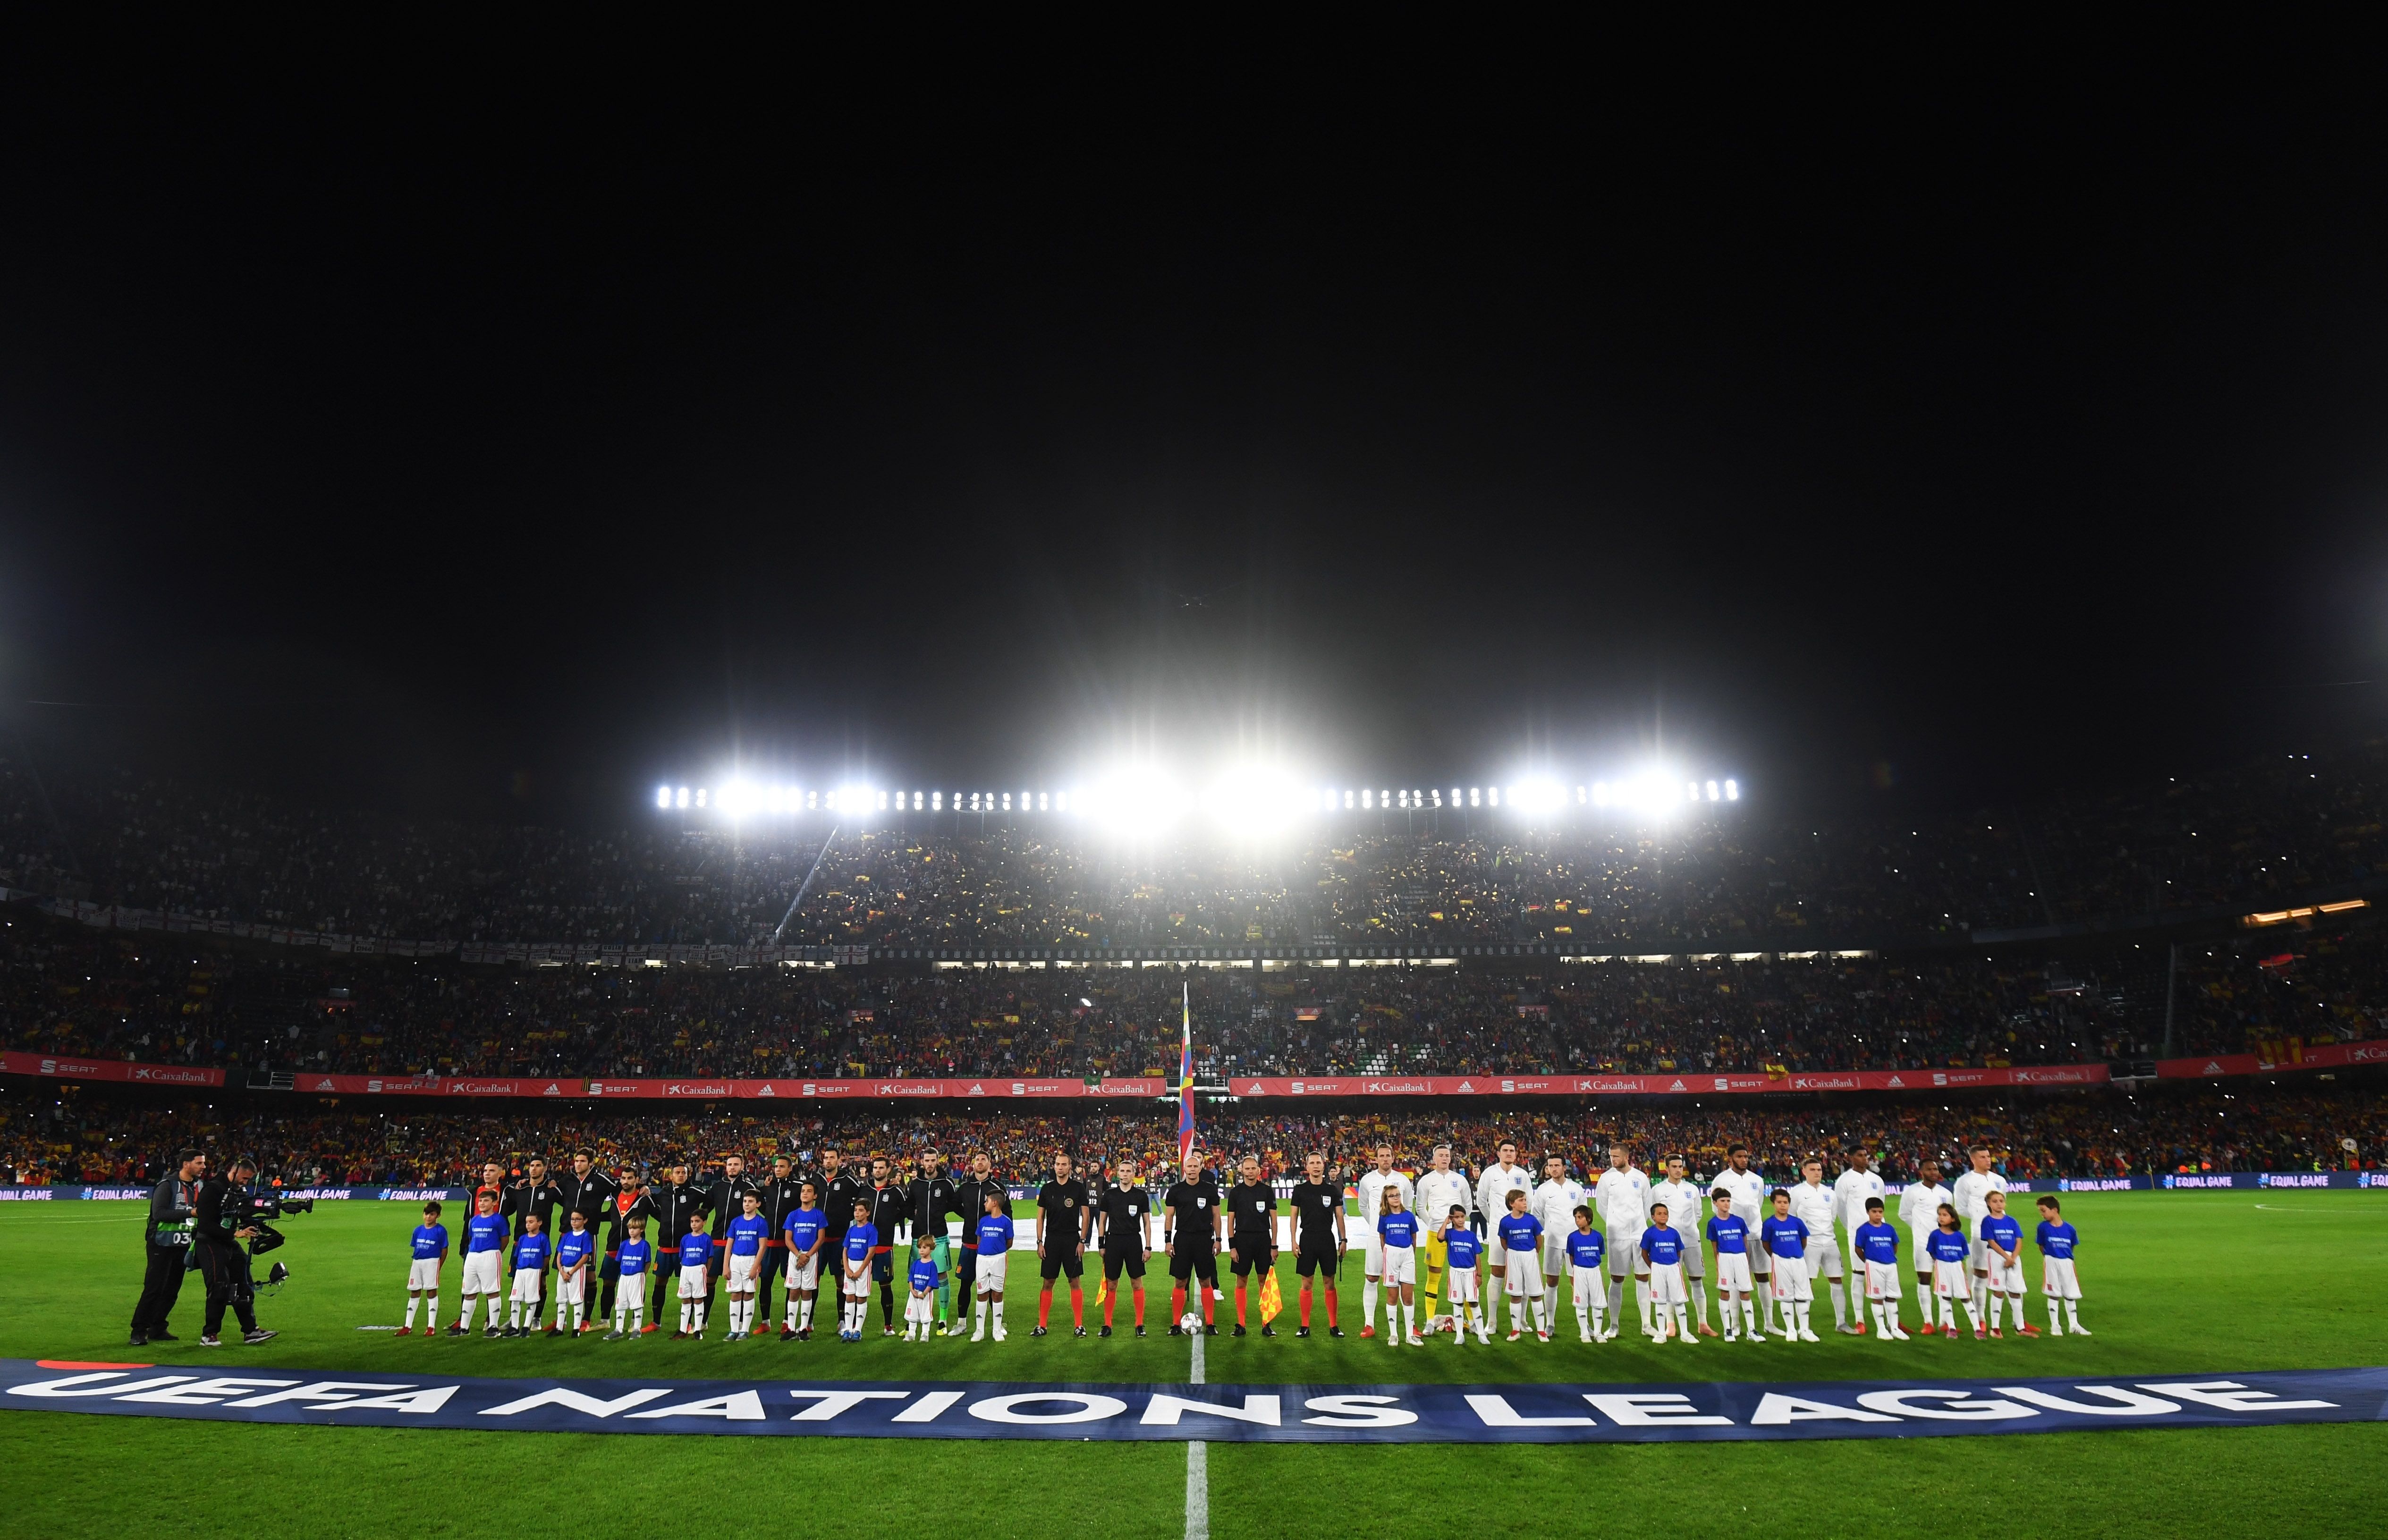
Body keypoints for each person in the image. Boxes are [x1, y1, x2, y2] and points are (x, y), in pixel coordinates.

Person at [191, 1154, 274, 1347]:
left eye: (249, 1180)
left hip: (228, 1243)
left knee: (244, 1283)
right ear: (234, 1171)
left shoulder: (239, 1191)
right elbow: (206, 1224)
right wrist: (235, 1233)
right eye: (244, 1178)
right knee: (220, 1287)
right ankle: (209, 1335)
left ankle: (251, 1331)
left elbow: (244, 1214)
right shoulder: (213, 1190)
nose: (246, 1182)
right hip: (209, 1243)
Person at [131, 1148, 203, 1347]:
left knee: (172, 1290)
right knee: (154, 1288)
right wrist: (191, 1213)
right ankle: (139, 1330)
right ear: (186, 1164)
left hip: (183, 1244)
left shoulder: (199, 1186)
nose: (203, 1167)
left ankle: (158, 1327)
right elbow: (160, 1214)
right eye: (199, 1163)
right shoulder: (168, 1185)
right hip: (161, 1243)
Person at [1651, 1154, 1715, 1337]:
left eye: (1680, 1166)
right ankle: (1671, 1325)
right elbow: (1653, 1215)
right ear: (1667, 1168)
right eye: (1675, 1167)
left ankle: (1703, 1323)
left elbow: (1698, 1214)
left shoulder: (1692, 1189)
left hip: (1692, 1241)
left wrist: (1687, 1229)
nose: (1678, 1170)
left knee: (1697, 1281)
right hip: (1669, 1244)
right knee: (1671, 1284)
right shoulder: (1658, 1190)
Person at [1473, 1139, 1532, 1336]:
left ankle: (1522, 1320)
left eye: (1512, 1151)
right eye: (1505, 1150)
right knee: (1497, 1272)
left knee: (1522, 1274)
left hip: (1520, 1231)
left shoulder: (1522, 1175)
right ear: (1498, 1153)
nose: (1509, 1153)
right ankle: (1492, 1321)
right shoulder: (1489, 1173)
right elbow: (1481, 1201)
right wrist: (1495, 1222)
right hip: (1498, 1229)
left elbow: (1528, 1201)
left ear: (1516, 1154)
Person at [1790, 1158, 1856, 1336]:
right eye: (1812, 1170)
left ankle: (1841, 1323)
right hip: (1809, 1243)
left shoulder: (1830, 1193)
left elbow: (1832, 1216)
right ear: (1804, 1171)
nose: (1817, 1173)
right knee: (1806, 1283)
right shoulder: (1797, 1193)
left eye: (1819, 1169)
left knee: (1837, 1280)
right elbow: (1791, 1217)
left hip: (1830, 1242)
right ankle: (1804, 1327)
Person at [1593, 1142, 1651, 1339]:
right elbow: (1602, 1206)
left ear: (1627, 1157)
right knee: (1616, 1279)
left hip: (1639, 1234)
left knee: (1643, 1277)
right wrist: (1615, 1223)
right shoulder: (1606, 1179)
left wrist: (1638, 1223)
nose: (1613, 1160)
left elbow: (1647, 1206)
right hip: (1617, 1236)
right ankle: (1614, 1325)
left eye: (1616, 1156)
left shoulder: (1641, 1177)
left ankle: (1647, 1324)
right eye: (1611, 1156)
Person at [1356, 1143, 1414, 1340]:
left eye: (1388, 1156)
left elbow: (1409, 1206)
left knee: (1405, 1281)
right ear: (1376, 1159)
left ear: (1393, 1157)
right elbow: (1363, 1206)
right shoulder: (1367, 1180)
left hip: (1400, 1240)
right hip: (1376, 1237)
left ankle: (1410, 1326)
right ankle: (1369, 1324)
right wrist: (1378, 1225)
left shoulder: (1403, 1180)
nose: (1385, 1159)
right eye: (1381, 1156)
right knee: (1372, 1278)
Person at [1712, 1145, 1772, 1333]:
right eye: (1739, 1157)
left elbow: (1758, 1204)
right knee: (1735, 1281)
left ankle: (1769, 1324)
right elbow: (1719, 1208)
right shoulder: (1721, 1180)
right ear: (1730, 1159)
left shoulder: (1757, 1180)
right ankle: (1736, 1324)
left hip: (1756, 1233)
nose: (1744, 1160)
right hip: (1735, 1238)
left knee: (1763, 1277)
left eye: (1746, 1156)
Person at [1164, 1148, 1223, 1336]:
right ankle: (1175, 1324)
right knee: (1180, 1282)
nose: (1191, 1169)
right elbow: (1169, 1216)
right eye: (1189, 1166)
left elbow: (1217, 1215)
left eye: (1195, 1166)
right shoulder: (1176, 1191)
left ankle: (1211, 1323)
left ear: (1200, 1168)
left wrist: (1218, 1239)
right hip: (1182, 1239)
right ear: (1184, 1169)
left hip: (1204, 1239)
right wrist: (1167, 1240)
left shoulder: (1209, 1189)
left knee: (1206, 1281)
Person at [1951, 1145, 2009, 1334]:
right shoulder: (1964, 1182)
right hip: (1979, 1234)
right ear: (1973, 1159)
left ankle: (2014, 1321)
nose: (1988, 1160)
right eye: (1983, 1157)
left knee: (2005, 1274)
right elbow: (1960, 1208)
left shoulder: (1999, 1180)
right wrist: (1981, 1217)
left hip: (2003, 1233)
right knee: (1981, 1274)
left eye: (1989, 1156)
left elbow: (2002, 1203)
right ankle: (1981, 1318)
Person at [1034, 1151, 1092, 1337]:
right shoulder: (1047, 1189)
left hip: (1072, 1240)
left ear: (1070, 1167)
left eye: (1064, 1165)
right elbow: (1040, 1217)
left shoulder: (1078, 1188)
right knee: (1048, 1282)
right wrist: (1040, 1242)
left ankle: (1079, 1325)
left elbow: (1086, 1216)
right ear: (1054, 1167)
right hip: (1051, 1240)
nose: (1060, 1168)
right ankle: (1042, 1325)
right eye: (1058, 1164)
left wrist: (1082, 1241)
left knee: (1074, 1281)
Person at [1288, 1150, 1346, 1338]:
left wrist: (1343, 1240)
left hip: (1327, 1239)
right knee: (1307, 1283)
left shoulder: (1332, 1191)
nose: (1315, 1166)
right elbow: (1294, 1217)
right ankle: (1305, 1326)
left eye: (1318, 1163)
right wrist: (1293, 1240)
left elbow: (1339, 1217)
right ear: (1307, 1167)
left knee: (1329, 1283)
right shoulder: (1300, 1190)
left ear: (1324, 1166)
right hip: (1307, 1239)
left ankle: (1334, 1326)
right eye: (1312, 1163)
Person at [904, 1149, 962, 1335]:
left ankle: (943, 1320)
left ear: (938, 1161)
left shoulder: (946, 1183)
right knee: (915, 1279)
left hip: (939, 1236)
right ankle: (912, 1318)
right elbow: (908, 1205)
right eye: (926, 1160)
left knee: (942, 1277)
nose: (929, 1164)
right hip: (919, 1238)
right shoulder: (915, 1184)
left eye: (933, 1160)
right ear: (922, 1162)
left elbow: (954, 1205)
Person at [1415, 1144, 1471, 1336]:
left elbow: (1468, 1206)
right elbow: (1420, 1207)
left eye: (1447, 1155)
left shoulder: (1460, 1180)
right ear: (1434, 1159)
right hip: (1435, 1234)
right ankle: (1430, 1321)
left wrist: (1459, 1225)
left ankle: (1471, 1321)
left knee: (1464, 1275)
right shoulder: (1426, 1181)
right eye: (1441, 1155)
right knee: (1434, 1276)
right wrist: (1432, 1223)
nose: (1445, 1158)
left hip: (1458, 1235)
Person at [1531, 1153, 1588, 1341]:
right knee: (1552, 1282)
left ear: (1565, 1167)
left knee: (1577, 1282)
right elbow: (1537, 1216)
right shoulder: (1543, 1190)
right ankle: (1550, 1323)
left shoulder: (1576, 1189)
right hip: (1553, 1243)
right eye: (1550, 1166)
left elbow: (1584, 1215)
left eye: (1557, 1165)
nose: (1553, 1169)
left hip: (1574, 1243)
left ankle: (1585, 1323)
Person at [1097, 1156, 1153, 1337]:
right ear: (1117, 1174)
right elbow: (1102, 1221)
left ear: (1134, 1174)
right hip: (1113, 1242)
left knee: (1137, 1283)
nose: (1125, 1174)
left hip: (1133, 1242)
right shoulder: (1109, 1195)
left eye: (1129, 1171)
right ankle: (1107, 1325)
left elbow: (1146, 1223)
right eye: (1122, 1171)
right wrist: (1101, 1244)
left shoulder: (1141, 1196)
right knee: (1112, 1284)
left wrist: (1148, 1247)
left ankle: (1139, 1325)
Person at [1897, 1158, 1954, 1335]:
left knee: (1945, 1282)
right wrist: (1920, 1228)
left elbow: (1951, 1217)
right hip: (1922, 1243)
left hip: (1944, 1242)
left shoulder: (1946, 1193)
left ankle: (1945, 1322)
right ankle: (1928, 1322)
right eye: (1930, 1169)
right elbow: (1904, 1214)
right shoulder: (1912, 1192)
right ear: (1921, 1172)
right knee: (1925, 1280)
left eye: (1936, 1169)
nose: (1934, 1172)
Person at [950, 1151, 1004, 1336]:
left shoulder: (997, 1187)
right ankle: (961, 1323)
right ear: (973, 1164)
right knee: (965, 1285)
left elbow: (1008, 1214)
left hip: (990, 1248)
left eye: (983, 1159)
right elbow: (954, 1205)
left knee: (992, 1287)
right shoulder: (966, 1187)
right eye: (977, 1160)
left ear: (990, 1164)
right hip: (969, 1244)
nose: (980, 1162)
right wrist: (967, 1216)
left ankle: (997, 1325)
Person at [1225, 1154, 1278, 1337]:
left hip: (1263, 1239)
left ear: (1258, 1170)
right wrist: (1232, 1246)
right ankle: (1241, 1324)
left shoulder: (1267, 1191)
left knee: (1264, 1282)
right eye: (1247, 1168)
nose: (1250, 1171)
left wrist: (1274, 1245)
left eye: (1253, 1168)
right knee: (1242, 1280)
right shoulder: (1236, 1193)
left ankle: (1266, 1324)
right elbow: (1230, 1221)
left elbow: (1274, 1220)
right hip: (1242, 1240)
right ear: (1242, 1170)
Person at [755, 1154, 804, 1334]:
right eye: (776, 1167)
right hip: (769, 1244)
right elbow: (759, 1203)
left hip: (788, 1244)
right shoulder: (769, 1187)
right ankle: (765, 1322)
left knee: (790, 1284)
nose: (778, 1170)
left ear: (790, 1168)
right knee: (765, 1281)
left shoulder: (798, 1187)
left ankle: (787, 1321)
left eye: (782, 1167)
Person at [1761, 1188, 1817, 1342]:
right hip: (1780, 1261)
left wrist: (1796, 1253)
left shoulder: (1797, 1222)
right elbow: (1766, 1243)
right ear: (1773, 1204)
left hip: (1799, 1261)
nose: (1783, 1205)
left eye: (1785, 1202)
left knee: (1803, 1296)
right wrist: (1776, 1256)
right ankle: (1791, 1330)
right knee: (1785, 1297)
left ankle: (1805, 1330)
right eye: (1779, 1202)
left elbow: (1803, 1241)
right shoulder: (1769, 1224)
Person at [1832, 1147, 1887, 1304]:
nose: (1865, 1158)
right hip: (1857, 1233)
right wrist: (1851, 1227)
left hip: (1879, 1232)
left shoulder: (1877, 1180)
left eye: (1866, 1155)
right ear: (1851, 1158)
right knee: (1859, 1273)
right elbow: (1840, 1208)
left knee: (1883, 1272)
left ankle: (1889, 1317)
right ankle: (1860, 1319)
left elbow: (1881, 1204)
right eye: (1860, 1156)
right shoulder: (1844, 1180)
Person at [452, 1190, 510, 1338]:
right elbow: (471, 1238)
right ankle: (464, 1328)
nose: (482, 1204)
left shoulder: (499, 1220)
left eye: (486, 1201)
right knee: (469, 1292)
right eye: (480, 1201)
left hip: (490, 1255)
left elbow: (505, 1239)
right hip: (473, 1256)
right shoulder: (475, 1220)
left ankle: (493, 1327)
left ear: (494, 1203)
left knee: (492, 1291)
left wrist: (495, 1253)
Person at [1852, 1197, 1910, 1340]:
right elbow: (1858, 1248)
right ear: (1868, 1212)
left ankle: (1894, 1328)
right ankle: (1881, 1329)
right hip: (1874, 1266)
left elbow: (1894, 1245)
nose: (1878, 1215)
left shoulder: (1889, 1228)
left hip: (1891, 1265)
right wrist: (1868, 1261)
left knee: (1892, 1296)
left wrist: (1888, 1257)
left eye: (1880, 1212)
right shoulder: (1863, 1230)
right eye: (1875, 1212)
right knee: (1878, 1297)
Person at [1704, 1189, 1757, 1342]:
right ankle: (1728, 1330)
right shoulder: (1713, 1223)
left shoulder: (1739, 1221)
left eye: (1728, 1201)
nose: (1726, 1204)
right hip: (1725, 1258)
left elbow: (1745, 1242)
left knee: (1746, 1293)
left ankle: (1752, 1330)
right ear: (1715, 1203)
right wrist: (1717, 1265)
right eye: (1722, 1201)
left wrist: (1746, 1262)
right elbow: (1715, 1246)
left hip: (1740, 1257)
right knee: (1725, 1293)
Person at [2034, 1196, 2091, 1337]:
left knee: (2070, 1294)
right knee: (2054, 1294)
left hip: (2067, 1263)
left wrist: (2064, 1257)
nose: (2042, 1214)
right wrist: (2049, 1257)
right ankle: (2055, 1326)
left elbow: (2071, 1247)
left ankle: (2074, 1325)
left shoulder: (2070, 1229)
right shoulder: (2043, 1227)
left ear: (2054, 1210)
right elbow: (2041, 1246)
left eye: (2043, 1211)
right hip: (2051, 1261)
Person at [1495, 1189, 1547, 1341]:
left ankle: (1541, 1331)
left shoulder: (1532, 1220)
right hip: (1513, 1257)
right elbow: (1504, 1242)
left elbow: (1539, 1241)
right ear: (1512, 1204)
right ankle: (1516, 1330)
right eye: (1521, 1200)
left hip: (1530, 1255)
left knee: (1536, 1293)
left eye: (1525, 1200)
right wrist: (1513, 1253)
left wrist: (1532, 1253)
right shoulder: (1505, 1222)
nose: (1525, 1203)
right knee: (1515, 1294)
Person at [1640, 1202, 1694, 1345]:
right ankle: (1661, 1334)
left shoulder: (1674, 1233)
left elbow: (1679, 1250)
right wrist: (1653, 1266)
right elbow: (1644, 1253)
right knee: (1660, 1301)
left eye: (1665, 1214)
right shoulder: (1649, 1233)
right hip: (1658, 1268)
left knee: (1679, 1300)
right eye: (1660, 1214)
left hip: (1673, 1268)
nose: (1663, 1216)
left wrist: (1675, 1263)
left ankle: (1685, 1333)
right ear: (1653, 1217)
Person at [780, 1180, 828, 1339]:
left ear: (815, 1196)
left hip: (811, 1257)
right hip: (795, 1255)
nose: (805, 1193)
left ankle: (803, 1329)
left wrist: (807, 1256)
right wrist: (799, 1255)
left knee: (807, 1292)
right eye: (803, 1191)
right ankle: (791, 1329)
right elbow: (788, 1239)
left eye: (809, 1191)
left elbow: (821, 1239)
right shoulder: (793, 1215)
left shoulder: (819, 1215)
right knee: (793, 1291)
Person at [1374, 1186, 1422, 1346]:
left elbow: (1414, 1237)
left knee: (1408, 1297)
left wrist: (1411, 1255)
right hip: (1391, 1254)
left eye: (1397, 1195)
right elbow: (1382, 1237)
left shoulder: (1409, 1216)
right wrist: (1387, 1256)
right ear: (1386, 1199)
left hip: (1408, 1254)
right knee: (1392, 1296)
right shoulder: (1384, 1217)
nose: (1396, 1198)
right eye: (1392, 1196)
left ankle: (1410, 1335)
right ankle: (1394, 1334)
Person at [722, 1189, 771, 1340]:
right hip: (735, 1260)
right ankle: (734, 1330)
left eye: (751, 1201)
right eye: (745, 1201)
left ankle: (745, 1330)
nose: (747, 1204)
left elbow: (762, 1246)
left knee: (749, 1294)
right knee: (735, 1293)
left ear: (758, 1204)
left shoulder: (761, 1223)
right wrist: (726, 1266)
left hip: (751, 1260)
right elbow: (729, 1245)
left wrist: (756, 1266)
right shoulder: (736, 1222)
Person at [867, 1155, 907, 1337]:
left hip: (884, 1245)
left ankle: (888, 1325)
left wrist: (894, 1219)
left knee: (885, 1286)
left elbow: (906, 1211)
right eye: (875, 1168)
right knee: (855, 1286)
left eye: (881, 1168)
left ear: (888, 1170)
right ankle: (852, 1324)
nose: (878, 1171)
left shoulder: (895, 1192)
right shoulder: (865, 1190)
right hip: (862, 1246)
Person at [1978, 1190, 2027, 1338]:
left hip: (2013, 1257)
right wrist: (2007, 1257)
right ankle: (1995, 1328)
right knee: (1998, 1291)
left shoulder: (2012, 1220)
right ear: (1989, 1204)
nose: (1999, 1204)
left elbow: (2019, 1240)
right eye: (1995, 1201)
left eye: (2001, 1201)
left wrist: (2013, 1257)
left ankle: (2020, 1328)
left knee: (2015, 1292)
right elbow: (1991, 1242)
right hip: (1997, 1257)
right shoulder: (1988, 1221)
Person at [1923, 1204, 1974, 1337]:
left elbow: (1963, 1254)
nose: (1941, 1217)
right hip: (1942, 1266)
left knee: (1965, 1297)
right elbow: (1932, 1252)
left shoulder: (1960, 1236)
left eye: (1945, 1215)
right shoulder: (1935, 1235)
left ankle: (1978, 1329)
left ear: (1953, 1219)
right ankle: (1952, 1328)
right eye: (1940, 1214)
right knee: (1945, 1296)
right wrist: (1940, 1262)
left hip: (1957, 1267)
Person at [398, 1199, 448, 1337]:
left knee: (431, 1292)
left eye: (432, 1214)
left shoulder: (441, 1231)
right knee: (414, 1291)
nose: (428, 1217)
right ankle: (408, 1326)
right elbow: (415, 1246)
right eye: (426, 1214)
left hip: (432, 1262)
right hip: (417, 1262)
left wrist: (439, 1265)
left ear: (438, 1216)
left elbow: (444, 1249)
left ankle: (431, 1327)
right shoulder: (418, 1230)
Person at [1441, 1204, 1487, 1346]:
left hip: (1470, 1273)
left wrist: (1479, 1274)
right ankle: (1460, 1335)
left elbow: (1477, 1256)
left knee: (1474, 1301)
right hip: (1455, 1272)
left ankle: (1481, 1334)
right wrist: (1445, 1222)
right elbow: (1440, 1237)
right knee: (1458, 1303)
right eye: (1457, 1217)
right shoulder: (1449, 1234)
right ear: (1452, 1219)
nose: (1460, 1220)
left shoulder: (1471, 1236)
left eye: (1462, 1217)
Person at [972, 1190, 1012, 1342]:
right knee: (981, 1292)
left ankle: (997, 1330)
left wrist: (997, 1252)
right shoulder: (983, 1221)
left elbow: (1009, 1242)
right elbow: (979, 1240)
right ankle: (979, 1330)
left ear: (994, 1202)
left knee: (997, 1293)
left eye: (987, 1201)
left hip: (999, 1259)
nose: (985, 1203)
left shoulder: (1006, 1222)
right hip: (982, 1259)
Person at [1563, 1205, 1606, 1343]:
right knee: (1581, 1304)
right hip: (1580, 1271)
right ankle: (1584, 1333)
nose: (1577, 1220)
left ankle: (1598, 1333)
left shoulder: (1598, 1236)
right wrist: (1578, 1267)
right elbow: (1572, 1256)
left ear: (1588, 1219)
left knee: (1598, 1303)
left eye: (1580, 1217)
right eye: (1576, 1218)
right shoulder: (1573, 1237)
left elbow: (1599, 1253)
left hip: (1594, 1271)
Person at [551, 1209, 597, 1335]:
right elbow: (559, 1254)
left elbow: (585, 1257)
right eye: (572, 1219)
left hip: (576, 1270)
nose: (574, 1222)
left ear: (585, 1221)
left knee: (577, 1299)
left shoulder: (586, 1236)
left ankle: (576, 1329)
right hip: (563, 1270)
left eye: (578, 1219)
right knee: (561, 1299)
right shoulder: (567, 1235)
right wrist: (561, 1271)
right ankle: (559, 1328)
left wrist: (571, 1272)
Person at [606, 1216, 652, 1338]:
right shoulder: (624, 1244)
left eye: (635, 1228)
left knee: (637, 1303)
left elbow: (648, 1262)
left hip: (637, 1276)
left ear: (642, 1229)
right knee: (620, 1303)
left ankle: (637, 1329)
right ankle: (618, 1329)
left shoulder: (645, 1245)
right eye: (630, 1228)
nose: (632, 1231)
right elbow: (619, 1260)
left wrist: (643, 1275)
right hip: (624, 1277)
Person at [506, 1213, 551, 1337]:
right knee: (515, 1299)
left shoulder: (543, 1238)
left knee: (532, 1299)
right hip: (521, 1271)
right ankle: (514, 1327)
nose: (528, 1225)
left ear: (539, 1223)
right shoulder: (522, 1239)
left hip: (534, 1271)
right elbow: (517, 1255)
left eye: (531, 1222)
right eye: (527, 1222)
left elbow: (547, 1256)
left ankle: (526, 1327)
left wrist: (541, 1268)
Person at [840, 1200, 878, 1342]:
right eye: (856, 1210)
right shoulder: (851, 1230)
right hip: (850, 1266)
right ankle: (848, 1329)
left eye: (861, 1210)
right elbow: (845, 1250)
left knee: (861, 1297)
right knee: (849, 1297)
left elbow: (871, 1252)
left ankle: (858, 1330)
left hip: (863, 1267)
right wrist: (847, 1269)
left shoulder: (871, 1230)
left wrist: (861, 1270)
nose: (857, 1213)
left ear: (868, 1213)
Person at [673, 1213, 714, 1339]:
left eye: (697, 1221)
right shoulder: (685, 1239)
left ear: (704, 1222)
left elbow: (710, 1257)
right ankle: (683, 1329)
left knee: (698, 1299)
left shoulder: (707, 1239)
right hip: (686, 1269)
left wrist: (705, 1271)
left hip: (699, 1269)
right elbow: (682, 1256)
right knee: (685, 1299)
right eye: (692, 1221)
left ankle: (697, 1330)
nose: (694, 1224)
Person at [904, 1235, 940, 1341]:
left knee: (926, 1314)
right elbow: (911, 1278)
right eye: (920, 1248)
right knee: (912, 1314)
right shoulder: (916, 1263)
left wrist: (924, 1293)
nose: (921, 1250)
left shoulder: (932, 1265)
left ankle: (925, 1334)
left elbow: (932, 1281)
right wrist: (912, 1290)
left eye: (925, 1248)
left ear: (931, 1249)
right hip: (915, 1293)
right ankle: (911, 1334)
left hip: (926, 1294)